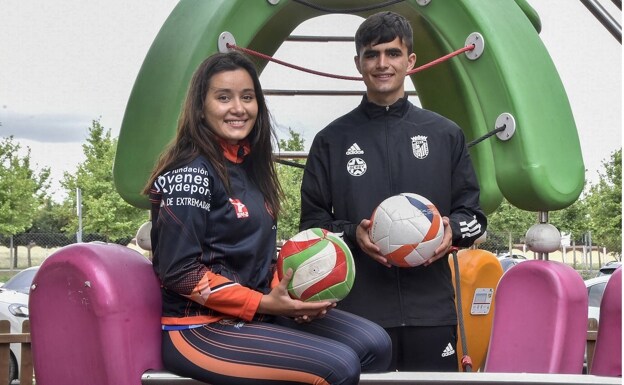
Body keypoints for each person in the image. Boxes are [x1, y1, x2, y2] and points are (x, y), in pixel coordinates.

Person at [143, 51, 391, 385]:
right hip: (197, 330)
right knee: (340, 366)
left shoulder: (249, 169)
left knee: (375, 344)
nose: (238, 108)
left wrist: (289, 297)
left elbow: (254, 260)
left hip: (256, 312)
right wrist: (265, 303)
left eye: (247, 97)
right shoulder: (191, 172)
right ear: (200, 108)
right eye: (223, 97)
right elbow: (180, 273)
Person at [299, 11, 487, 372]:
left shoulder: (446, 134)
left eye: (393, 53)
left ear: (410, 61)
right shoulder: (331, 140)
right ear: (358, 63)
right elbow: (312, 226)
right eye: (372, 55)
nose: (382, 63)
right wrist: (354, 233)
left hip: (431, 313)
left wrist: (452, 232)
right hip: (358, 316)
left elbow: (474, 216)